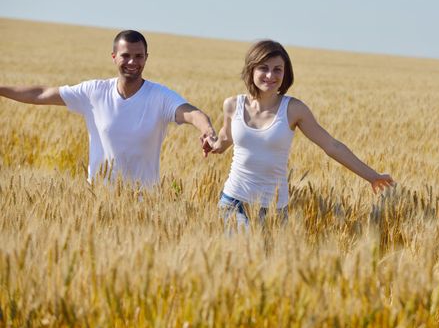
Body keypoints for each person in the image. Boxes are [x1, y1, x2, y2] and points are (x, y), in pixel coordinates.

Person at [206, 40, 394, 229]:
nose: (270, 75)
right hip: (234, 201)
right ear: (251, 70)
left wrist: (372, 176)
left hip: (275, 209)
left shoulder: (294, 109)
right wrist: (212, 143)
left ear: (285, 73)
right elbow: (225, 139)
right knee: (243, 247)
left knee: (270, 259)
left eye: (277, 69)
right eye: (263, 68)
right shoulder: (232, 105)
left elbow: (331, 146)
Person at [0, 30, 216, 187]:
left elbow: (191, 112)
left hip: (145, 206)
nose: (132, 61)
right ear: (114, 57)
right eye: (125, 55)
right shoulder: (94, 91)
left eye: (139, 56)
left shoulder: (160, 96)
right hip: (97, 200)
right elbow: (40, 94)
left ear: (146, 58)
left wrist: (206, 129)